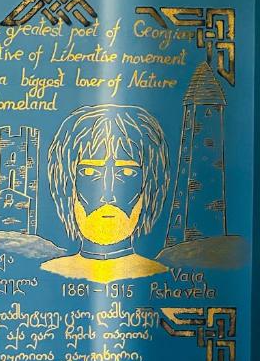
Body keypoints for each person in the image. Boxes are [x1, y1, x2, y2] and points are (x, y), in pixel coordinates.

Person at [40, 104, 170, 283]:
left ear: (149, 184)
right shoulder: (48, 272)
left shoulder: (160, 274)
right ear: (66, 182)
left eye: (126, 172)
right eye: (90, 172)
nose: (107, 195)